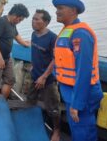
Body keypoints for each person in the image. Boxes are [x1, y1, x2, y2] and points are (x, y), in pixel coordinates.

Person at [52, 0, 103, 141]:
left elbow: (84, 71)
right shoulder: (67, 30)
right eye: (56, 8)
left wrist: (77, 103)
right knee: (77, 130)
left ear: (73, 10)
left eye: (60, 8)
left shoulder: (80, 33)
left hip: (81, 94)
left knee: (83, 133)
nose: (56, 11)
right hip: (69, 91)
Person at [27, 9, 61, 141]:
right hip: (34, 75)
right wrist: (32, 65)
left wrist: (44, 76)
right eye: (33, 19)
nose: (33, 21)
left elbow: (55, 59)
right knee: (30, 100)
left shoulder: (53, 38)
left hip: (48, 80)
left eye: (37, 19)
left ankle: (57, 131)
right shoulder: (34, 34)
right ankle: (32, 122)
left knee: (53, 108)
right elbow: (35, 52)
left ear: (45, 22)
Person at [0, 3, 30, 98]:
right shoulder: (1, 22)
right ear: (15, 16)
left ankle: (2, 102)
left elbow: (16, 36)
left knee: (10, 80)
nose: (20, 21)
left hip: (6, 59)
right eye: (20, 19)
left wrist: (26, 43)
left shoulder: (12, 24)